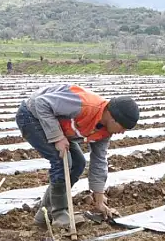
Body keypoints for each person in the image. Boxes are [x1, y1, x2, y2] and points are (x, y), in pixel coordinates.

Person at [15, 84, 140, 229]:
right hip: (32, 115)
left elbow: (99, 160)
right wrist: (57, 137)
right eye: (123, 127)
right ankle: (59, 214)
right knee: (63, 161)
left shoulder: (105, 131)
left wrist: (99, 198)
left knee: (78, 163)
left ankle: (44, 216)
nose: (123, 132)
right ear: (113, 119)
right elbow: (41, 103)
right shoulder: (84, 105)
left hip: (57, 125)